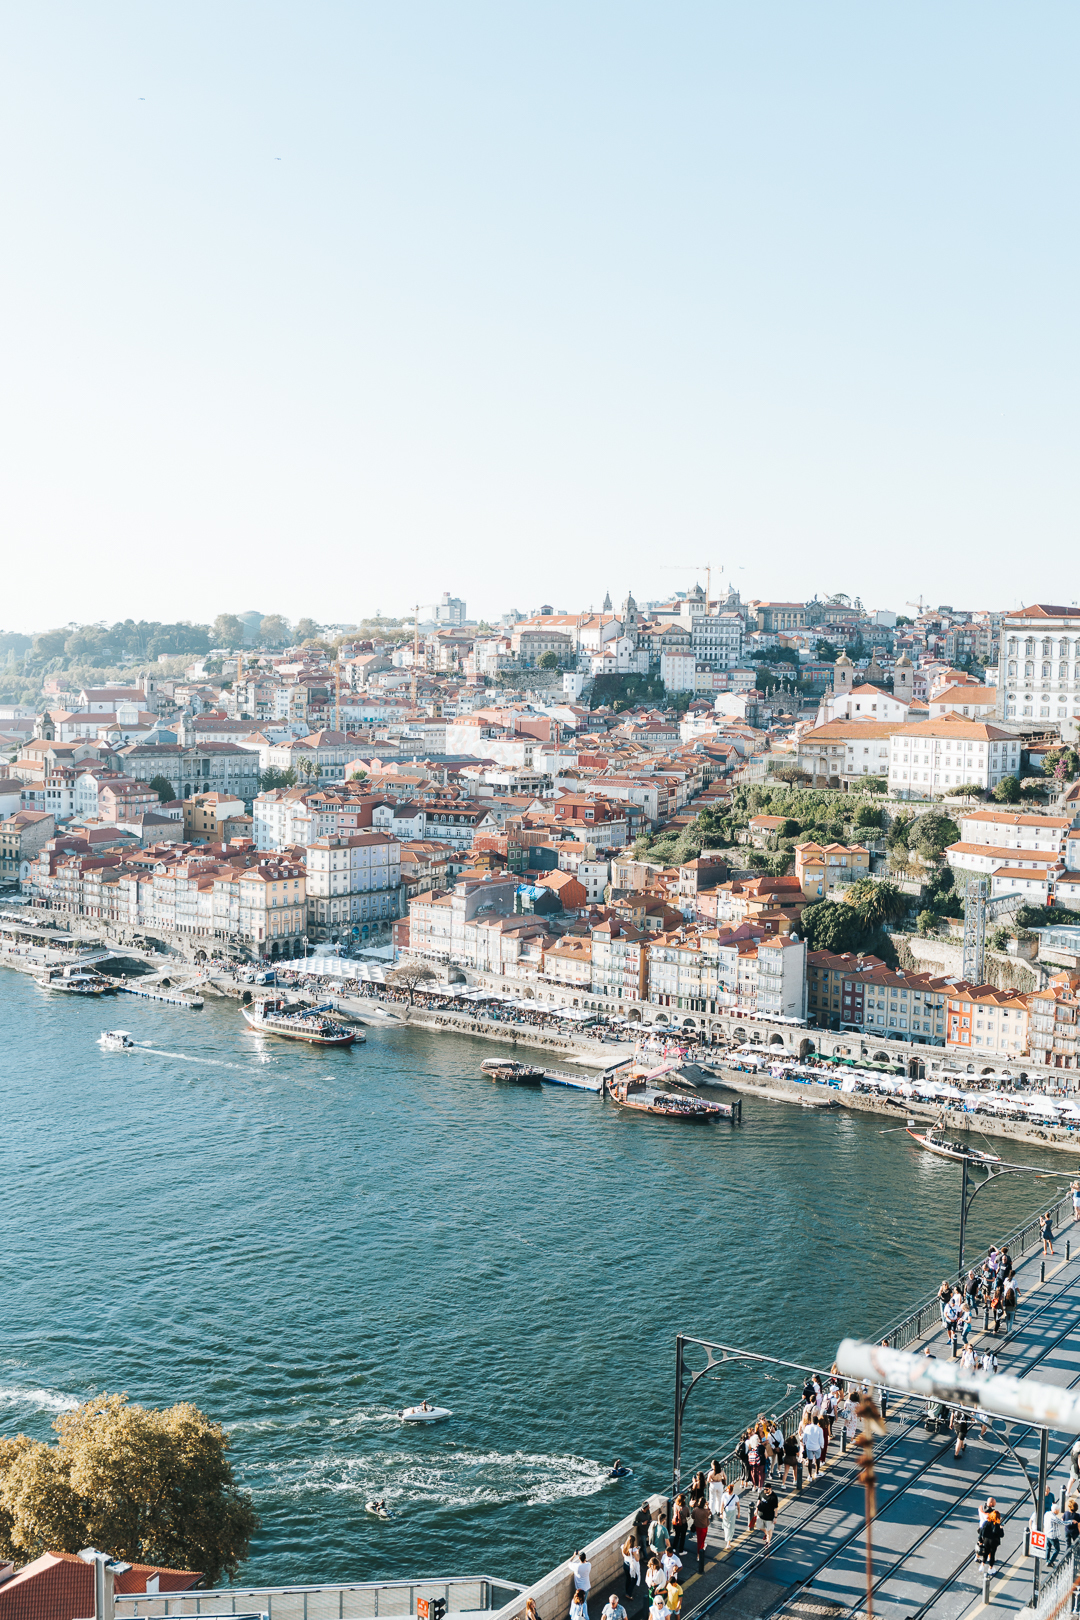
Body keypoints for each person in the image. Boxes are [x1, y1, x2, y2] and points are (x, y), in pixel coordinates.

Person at [802, 1412, 824, 1479]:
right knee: (817, 1460)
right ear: (817, 1422)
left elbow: (804, 1438)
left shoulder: (807, 1427)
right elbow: (821, 1440)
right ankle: (817, 1473)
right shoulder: (820, 1429)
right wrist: (822, 1447)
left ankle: (809, 1475)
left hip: (809, 1446)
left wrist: (804, 1444)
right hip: (817, 1447)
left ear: (812, 1421)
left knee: (810, 1461)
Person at [690, 1496, 710, 1566]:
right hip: (704, 1526)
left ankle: (701, 1547)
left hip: (697, 1526)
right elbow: (709, 1513)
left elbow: (692, 1517)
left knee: (699, 1539)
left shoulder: (695, 1509)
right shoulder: (706, 1511)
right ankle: (699, 1554)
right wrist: (707, 1506)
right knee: (702, 1538)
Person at [757, 1483, 779, 1547]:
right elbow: (759, 1500)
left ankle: (768, 1541)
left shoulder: (774, 1497)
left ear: (770, 1489)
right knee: (760, 1527)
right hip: (761, 1515)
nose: (765, 1491)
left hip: (769, 1516)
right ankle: (766, 1534)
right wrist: (756, 1509)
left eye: (767, 1489)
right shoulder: (762, 1493)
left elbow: (776, 1508)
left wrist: (775, 1517)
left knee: (769, 1529)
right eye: (764, 1489)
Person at [621, 1533, 640, 1599]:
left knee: (628, 1578)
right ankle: (629, 1593)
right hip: (631, 1566)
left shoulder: (623, 1547)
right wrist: (637, 1551)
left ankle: (627, 1591)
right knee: (635, 1579)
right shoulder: (633, 1550)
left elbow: (623, 1555)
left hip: (625, 1564)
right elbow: (637, 1559)